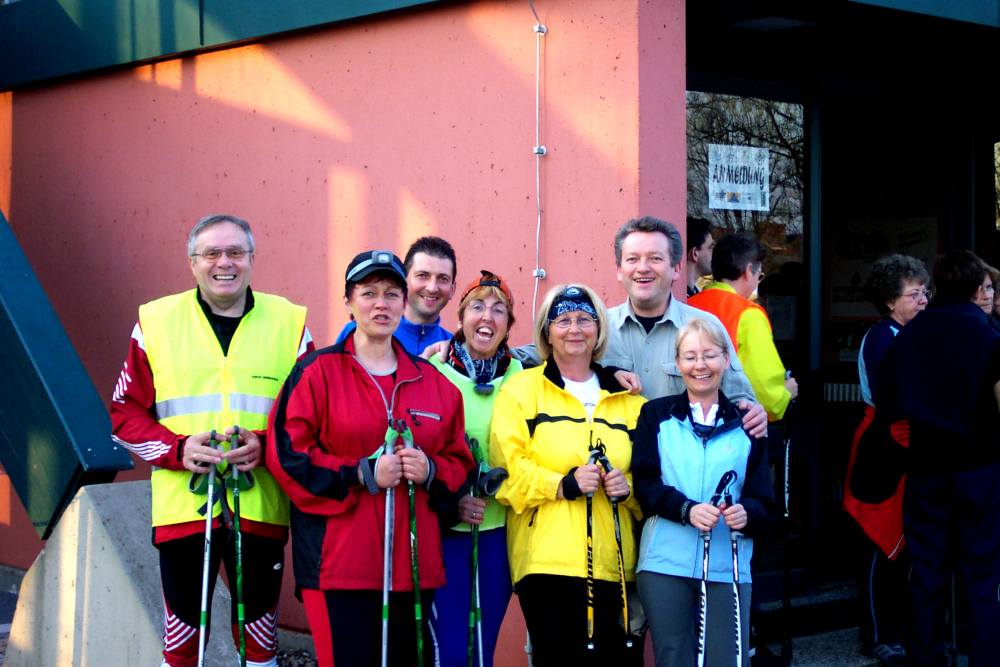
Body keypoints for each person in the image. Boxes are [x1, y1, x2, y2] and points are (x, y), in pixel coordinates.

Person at [111, 214, 313, 667]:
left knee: (259, 638)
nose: (225, 263)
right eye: (212, 253)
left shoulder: (290, 321)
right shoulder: (156, 321)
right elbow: (124, 414)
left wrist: (266, 444)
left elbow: (312, 416)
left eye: (236, 252)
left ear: (252, 259)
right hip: (184, 507)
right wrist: (178, 449)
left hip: (260, 504)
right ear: (192, 263)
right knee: (183, 641)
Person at [266, 249, 474, 667]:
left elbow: (460, 465)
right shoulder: (315, 373)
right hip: (337, 566)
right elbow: (288, 457)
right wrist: (360, 473)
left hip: (413, 571)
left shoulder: (435, 384)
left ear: (404, 302)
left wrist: (430, 470)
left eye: (392, 294)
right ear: (348, 302)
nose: (382, 304)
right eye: (369, 293)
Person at [490, 284, 645, 665]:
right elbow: (506, 472)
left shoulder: (630, 402)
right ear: (547, 331)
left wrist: (627, 488)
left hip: (615, 563)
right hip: (547, 563)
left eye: (584, 320)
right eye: (563, 321)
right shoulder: (522, 390)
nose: (574, 329)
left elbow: (652, 479)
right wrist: (562, 485)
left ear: (599, 329)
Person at [877, 249, 1000, 667]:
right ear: (974, 287)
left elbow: (887, 404)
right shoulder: (989, 335)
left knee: (927, 572)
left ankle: (925, 657)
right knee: (982, 573)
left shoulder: (908, 337)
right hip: (979, 466)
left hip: (926, 468)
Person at [633, 317, 775, 667]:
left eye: (710, 355)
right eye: (691, 356)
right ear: (677, 363)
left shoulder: (748, 423)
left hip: (728, 564)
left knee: (728, 659)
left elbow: (765, 501)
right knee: (674, 658)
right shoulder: (655, 415)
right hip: (664, 562)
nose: (700, 365)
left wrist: (747, 513)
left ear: (726, 360)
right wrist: (686, 509)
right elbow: (645, 484)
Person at [428, 269, 523, 667]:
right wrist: (453, 501)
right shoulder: (432, 370)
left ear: (508, 325)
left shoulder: (523, 376)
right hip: (446, 531)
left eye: (498, 310)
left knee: (482, 646)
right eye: (477, 307)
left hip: (499, 533)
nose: (487, 317)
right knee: (449, 649)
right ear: (461, 317)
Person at [600, 215, 768, 436]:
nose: (643, 268)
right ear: (619, 270)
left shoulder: (707, 327)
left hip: (684, 457)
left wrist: (753, 412)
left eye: (655, 258)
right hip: (613, 458)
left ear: (677, 268)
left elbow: (740, 400)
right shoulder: (596, 330)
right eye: (632, 259)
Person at [842, 254, 929, 666]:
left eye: (925, 293)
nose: (923, 300)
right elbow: (893, 395)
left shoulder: (914, 334)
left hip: (909, 442)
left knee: (908, 546)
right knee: (880, 543)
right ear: (891, 301)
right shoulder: (881, 337)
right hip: (883, 445)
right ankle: (878, 634)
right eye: (914, 294)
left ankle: (904, 630)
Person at [688, 233, 797, 422]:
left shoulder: (687, 305)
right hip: (733, 423)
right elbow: (767, 398)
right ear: (748, 271)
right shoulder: (748, 314)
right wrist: (786, 393)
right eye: (759, 275)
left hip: (688, 419)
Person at [336, 236, 457, 354]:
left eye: (443, 278)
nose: (432, 288)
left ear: (452, 289)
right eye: (422, 275)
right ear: (404, 281)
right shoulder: (357, 332)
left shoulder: (454, 350)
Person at [686, 217, 715, 298]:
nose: (714, 253)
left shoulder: (693, 294)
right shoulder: (682, 299)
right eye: (711, 247)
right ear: (695, 253)